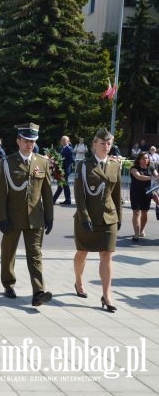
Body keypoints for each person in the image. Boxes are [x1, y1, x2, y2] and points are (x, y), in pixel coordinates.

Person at [0, 123, 54, 307]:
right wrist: (2, 218)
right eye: (26, 141)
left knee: (35, 254)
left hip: (35, 217)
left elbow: (47, 192)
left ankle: (38, 292)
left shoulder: (42, 162)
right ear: (18, 141)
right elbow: (0, 193)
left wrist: (49, 216)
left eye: (32, 141)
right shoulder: (7, 162)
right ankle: (8, 283)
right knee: (8, 252)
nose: (29, 144)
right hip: (12, 218)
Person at [73, 128, 122, 313]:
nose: (106, 147)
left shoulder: (114, 165)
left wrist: (118, 217)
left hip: (108, 217)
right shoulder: (84, 165)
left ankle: (107, 295)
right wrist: (84, 217)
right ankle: (78, 281)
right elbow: (79, 194)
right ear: (94, 144)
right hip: (87, 217)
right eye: (102, 143)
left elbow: (116, 195)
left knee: (107, 255)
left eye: (109, 144)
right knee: (82, 253)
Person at [129, 152, 158, 241]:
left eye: (147, 158)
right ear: (139, 159)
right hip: (136, 192)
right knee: (136, 212)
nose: (145, 160)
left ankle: (141, 230)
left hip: (148, 192)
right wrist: (152, 177)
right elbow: (139, 177)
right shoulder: (134, 168)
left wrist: (156, 178)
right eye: (143, 158)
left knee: (145, 212)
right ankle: (136, 234)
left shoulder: (151, 167)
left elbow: (156, 176)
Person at [53, 135, 74, 205]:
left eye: (64, 140)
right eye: (62, 140)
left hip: (65, 170)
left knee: (61, 185)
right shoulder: (62, 148)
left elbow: (71, 159)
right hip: (61, 169)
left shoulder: (69, 149)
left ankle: (53, 200)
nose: (62, 141)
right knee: (64, 185)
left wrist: (62, 166)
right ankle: (68, 200)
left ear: (68, 141)